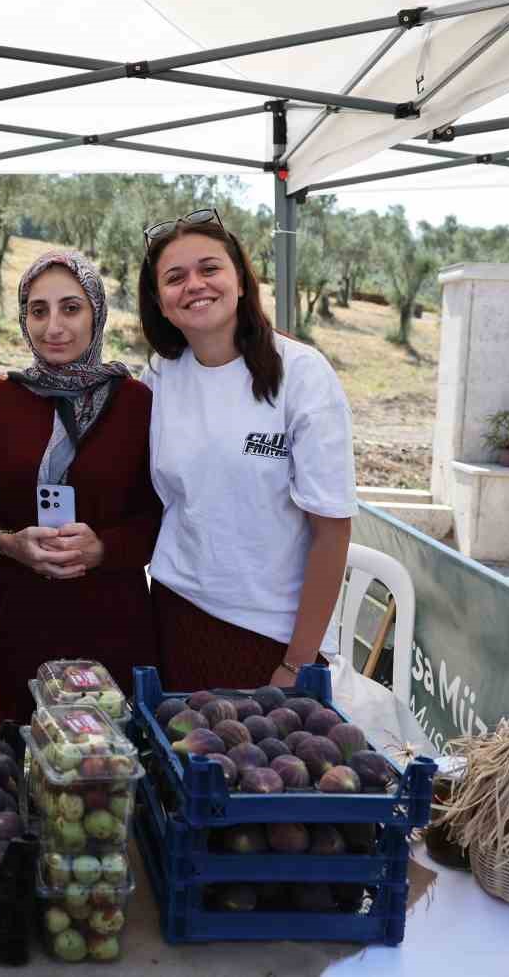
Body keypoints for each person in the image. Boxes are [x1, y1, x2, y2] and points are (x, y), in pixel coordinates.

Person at [138, 209, 356, 692]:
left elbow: (332, 531)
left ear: (240, 280)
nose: (194, 284)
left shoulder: (302, 373)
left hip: (272, 635)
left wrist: (297, 664)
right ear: (160, 301)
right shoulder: (158, 376)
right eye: (175, 278)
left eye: (209, 268)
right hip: (176, 614)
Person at [0, 250, 160, 726]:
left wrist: (104, 548)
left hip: (112, 619)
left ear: (97, 312)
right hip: (19, 619)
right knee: (19, 762)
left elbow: (161, 511)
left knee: (107, 771)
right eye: (38, 310)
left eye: (71, 307)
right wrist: (7, 542)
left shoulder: (138, 405)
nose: (53, 327)